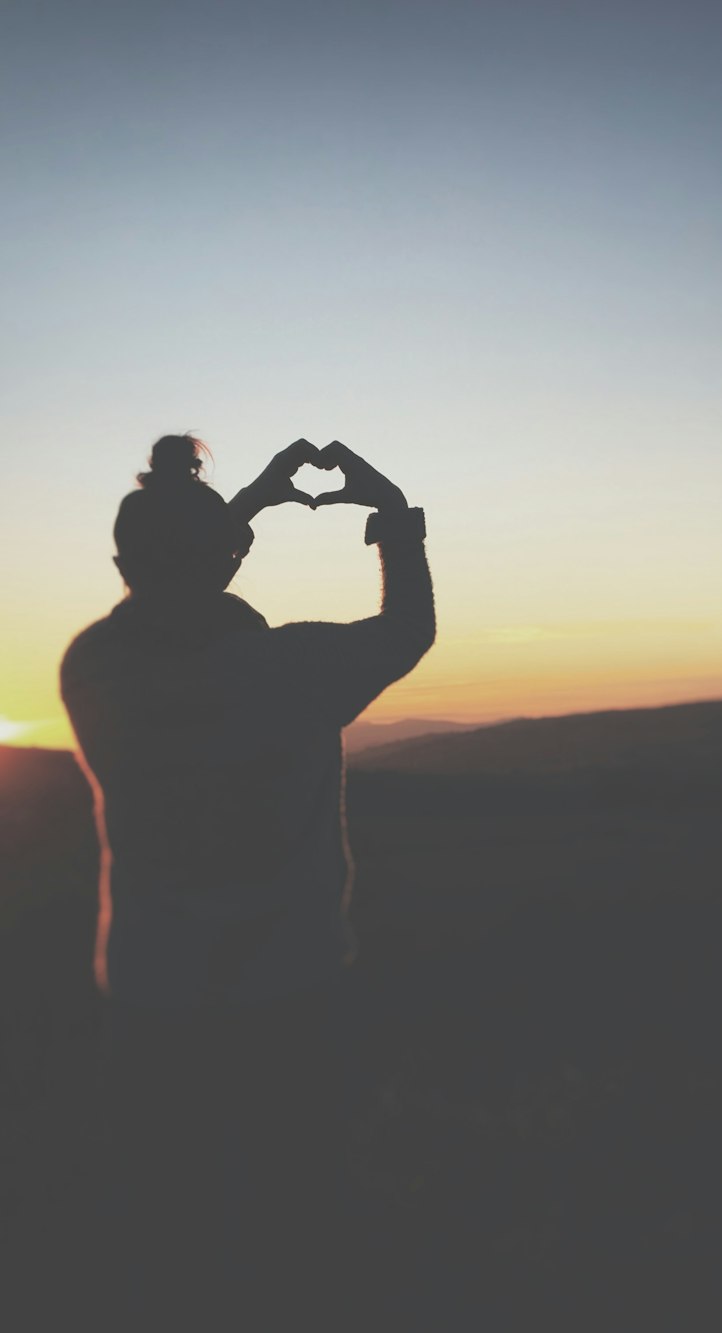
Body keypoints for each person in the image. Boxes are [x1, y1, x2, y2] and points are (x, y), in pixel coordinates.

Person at [60, 433, 434, 1323]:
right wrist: (391, 511)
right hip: (291, 989)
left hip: (150, 1000)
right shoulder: (295, 669)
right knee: (300, 1220)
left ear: (121, 561)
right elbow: (408, 629)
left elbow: (175, 582)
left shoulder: (92, 669)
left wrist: (246, 508)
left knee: (169, 1233)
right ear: (233, 557)